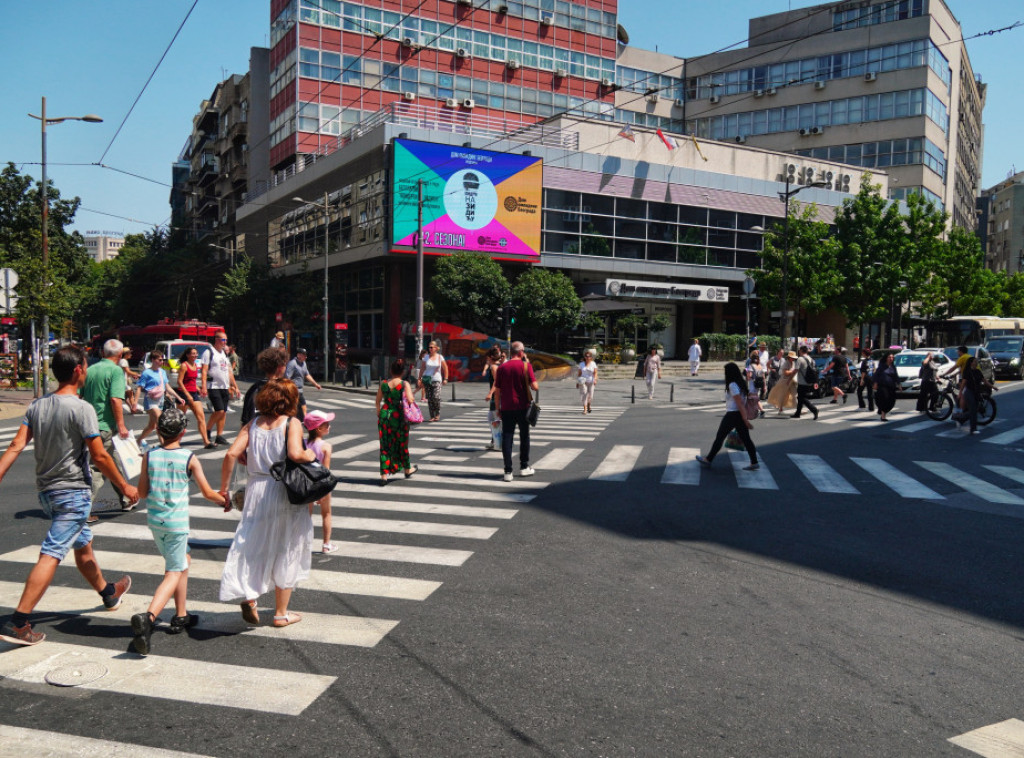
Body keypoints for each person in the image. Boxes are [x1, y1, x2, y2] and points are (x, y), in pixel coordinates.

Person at [0, 346, 138, 646]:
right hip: (73, 492)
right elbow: (99, 456)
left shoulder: (37, 406)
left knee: (83, 545)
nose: (86, 371)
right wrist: (125, 487)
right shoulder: (82, 408)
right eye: (85, 367)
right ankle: (19, 622)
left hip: (47, 493)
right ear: (78, 371)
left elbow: (14, 446)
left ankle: (108, 593)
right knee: (51, 553)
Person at [218, 379, 317, 628]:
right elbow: (295, 454)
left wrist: (224, 490)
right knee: (288, 546)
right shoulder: (291, 423)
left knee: (254, 543)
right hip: (284, 489)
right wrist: (311, 454)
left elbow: (231, 454)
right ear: (290, 400)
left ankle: (251, 598)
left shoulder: (253, 424)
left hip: (257, 489)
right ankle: (281, 613)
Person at [130, 408, 226, 655]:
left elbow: (141, 493)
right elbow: (207, 492)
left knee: (183, 561)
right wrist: (226, 501)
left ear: (159, 431)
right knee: (174, 571)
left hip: (155, 522)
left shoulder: (149, 456)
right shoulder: (189, 458)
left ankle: (181, 614)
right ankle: (148, 619)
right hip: (177, 524)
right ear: (183, 432)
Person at [82, 338, 133, 513]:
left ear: (103, 353)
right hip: (104, 425)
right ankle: (84, 507)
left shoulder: (89, 369)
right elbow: (115, 399)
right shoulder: (116, 371)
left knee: (113, 461)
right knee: (98, 467)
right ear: (120, 355)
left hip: (87, 423)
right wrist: (121, 425)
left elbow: (79, 396)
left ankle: (126, 498)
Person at [696, 362, 759, 471]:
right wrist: (744, 419)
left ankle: (708, 459)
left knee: (720, 437)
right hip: (738, 415)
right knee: (746, 439)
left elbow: (739, 403)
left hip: (732, 414)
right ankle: (754, 462)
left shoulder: (732, 385)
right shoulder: (741, 383)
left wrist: (745, 419)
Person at [494, 341, 538, 482]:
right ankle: (524, 467)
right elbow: (535, 387)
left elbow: (497, 391)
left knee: (507, 437)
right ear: (520, 352)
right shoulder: (526, 366)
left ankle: (508, 471)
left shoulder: (502, 368)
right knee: (524, 436)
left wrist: (497, 408)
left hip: (506, 407)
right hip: (523, 407)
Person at [375, 359, 418, 486]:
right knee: (402, 444)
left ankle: (384, 475)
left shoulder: (383, 384)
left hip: (385, 414)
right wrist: (413, 394)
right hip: (398, 416)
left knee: (385, 446)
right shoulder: (404, 384)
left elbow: (377, 401)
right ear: (403, 372)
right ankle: (407, 469)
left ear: (390, 370)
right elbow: (410, 400)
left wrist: (379, 412)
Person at [303, 410, 336, 552]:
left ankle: (304, 544)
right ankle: (326, 544)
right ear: (319, 428)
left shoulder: (302, 443)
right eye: (326, 424)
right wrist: (323, 492)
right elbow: (325, 470)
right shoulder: (326, 446)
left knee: (306, 515)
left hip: (306, 484)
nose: (329, 426)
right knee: (326, 513)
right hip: (321, 485)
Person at [136, 351, 184, 447]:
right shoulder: (146, 373)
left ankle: (138, 441)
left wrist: (178, 397)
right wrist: (134, 403)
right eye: (160, 360)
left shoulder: (162, 372)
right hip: (150, 401)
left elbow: (167, 387)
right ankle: (164, 444)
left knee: (152, 426)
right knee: (161, 422)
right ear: (153, 360)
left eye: (162, 360)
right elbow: (139, 388)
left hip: (160, 400)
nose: (162, 362)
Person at [201, 331, 240, 446]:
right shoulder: (209, 352)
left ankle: (219, 435)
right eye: (223, 340)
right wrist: (203, 386)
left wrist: (235, 386)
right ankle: (207, 430)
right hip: (213, 386)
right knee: (219, 410)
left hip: (224, 386)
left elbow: (229, 372)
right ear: (217, 339)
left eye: (226, 340)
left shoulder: (223, 353)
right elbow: (204, 370)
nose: (225, 342)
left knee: (224, 412)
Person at [176, 346, 214, 449]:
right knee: (180, 420)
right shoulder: (184, 366)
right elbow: (179, 382)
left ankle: (206, 441)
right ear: (187, 355)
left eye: (196, 353)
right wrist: (187, 395)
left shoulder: (196, 365)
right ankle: (175, 441)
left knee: (201, 418)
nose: (195, 355)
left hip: (193, 393)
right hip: (183, 394)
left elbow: (192, 381)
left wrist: (199, 389)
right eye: (192, 353)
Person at [241, 347, 289, 427]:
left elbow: (245, 421)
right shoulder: (286, 389)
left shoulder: (254, 389)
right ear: (280, 367)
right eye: (285, 364)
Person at [960, 356, 998, 434]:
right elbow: (963, 383)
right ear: (971, 363)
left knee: (975, 409)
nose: (976, 362)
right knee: (973, 410)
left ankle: (962, 417)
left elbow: (985, 381)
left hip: (977, 392)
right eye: (975, 361)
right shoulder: (967, 372)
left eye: (976, 361)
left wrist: (993, 387)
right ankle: (973, 429)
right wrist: (960, 393)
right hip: (969, 392)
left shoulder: (978, 371)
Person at [285, 347, 323, 421]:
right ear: (298, 355)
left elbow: (307, 375)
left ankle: (303, 421)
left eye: (306, 355)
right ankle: (295, 422)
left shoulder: (304, 363)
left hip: (300, 390)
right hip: (293, 390)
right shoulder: (292, 364)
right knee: (295, 408)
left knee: (303, 406)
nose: (306, 357)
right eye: (304, 355)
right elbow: (287, 377)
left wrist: (315, 384)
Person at [418, 341, 448, 422]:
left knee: (436, 397)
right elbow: (422, 368)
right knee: (430, 399)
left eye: (432, 347)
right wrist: (419, 378)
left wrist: (446, 378)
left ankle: (437, 413)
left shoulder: (440, 357)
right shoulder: (426, 357)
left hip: (437, 379)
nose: (430, 349)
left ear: (436, 348)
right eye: (429, 347)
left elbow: (445, 368)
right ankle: (432, 415)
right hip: (428, 379)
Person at [483, 347, 503, 450]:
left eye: (487, 358)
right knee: (492, 418)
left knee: (495, 419)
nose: (486, 360)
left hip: (496, 396)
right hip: (498, 396)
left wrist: (490, 393)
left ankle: (498, 442)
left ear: (490, 357)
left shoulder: (494, 367)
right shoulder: (498, 366)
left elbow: (496, 382)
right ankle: (495, 441)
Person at [792, 345, 819, 420]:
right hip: (809, 381)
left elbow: (796, 370)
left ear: (800, 351)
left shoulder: (800, 359)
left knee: (801, 397)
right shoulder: (811, 359)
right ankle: (797, 413)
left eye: (799, 351)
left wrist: (790, 378)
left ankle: (814, 409)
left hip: (802, 382)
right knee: (800, 398)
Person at [766, 350, 798, 414]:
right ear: (789, 357)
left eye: (794, 358)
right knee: (782, 395)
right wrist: (793, 371)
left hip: (791, 381)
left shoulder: (793, 363)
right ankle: (780, 409)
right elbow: (785, 373)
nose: (794, 359)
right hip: (784, 381)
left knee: (795, 394)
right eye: (792, 357)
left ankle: (798, 409)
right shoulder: (786, 363)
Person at [873, 352, 899, 422]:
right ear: (886, 358)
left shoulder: (893, 367)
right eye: (889, 357)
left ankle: (882, 410)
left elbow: (896, 376)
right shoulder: (881, 366)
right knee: (884, 399)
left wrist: (899, 384)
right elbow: (876, 375)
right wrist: (875, 383)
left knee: (891, 401)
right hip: (883, 386)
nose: (891, 359)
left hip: (891, 386)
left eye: (892, 357)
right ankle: (883, 415)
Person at [746, 350, 766, 418]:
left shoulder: (751, 366)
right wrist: (764, 386)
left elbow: (749, 376)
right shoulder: (760, 366)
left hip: (753, 384)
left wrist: (747, 374)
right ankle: (756, 410)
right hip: (759, 384)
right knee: (755, 398)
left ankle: (761, 410)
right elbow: (763, 377)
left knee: (753, 398)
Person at [120, 347, 140, 414]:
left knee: (126, 397)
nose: (131, 354)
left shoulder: (121, 361)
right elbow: (127, 371)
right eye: (129, 353)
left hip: (122, 381)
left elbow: (126, 372)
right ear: (125, 354)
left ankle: (132, 408)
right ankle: (134, 409)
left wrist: (132, 375)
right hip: (123, 382)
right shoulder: (123, 361)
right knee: (130, 394)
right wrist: (137, 374)